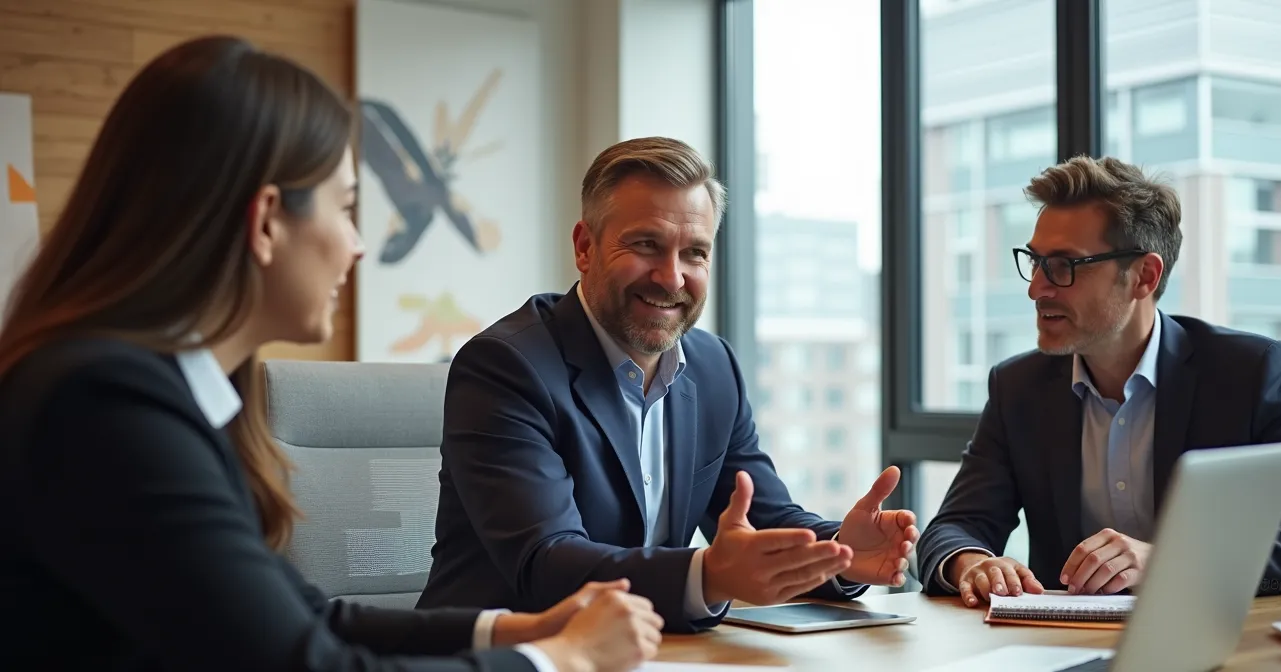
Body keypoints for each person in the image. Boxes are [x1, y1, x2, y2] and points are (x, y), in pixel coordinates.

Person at [0, 35, 663, 672]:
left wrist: (519, 629)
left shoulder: (147, 390)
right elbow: (302, 665)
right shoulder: (104, 407)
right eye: (346, 209)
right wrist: (561, 660)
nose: (358, 245)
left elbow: (297, 618)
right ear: (264, 222)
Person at [415, 136, 919, 633]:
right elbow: (547, 564)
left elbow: (762, 518)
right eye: (646, 245)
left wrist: (839, 553)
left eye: (694, 253)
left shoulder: (713, 366)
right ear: (586, 248)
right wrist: (709, 575)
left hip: (652, 655)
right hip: (507, 658)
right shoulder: (507, 366)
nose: (672, 278)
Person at [917, 155, 1281, 607]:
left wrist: (1171, 561)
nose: (1037, 289)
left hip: (1218, 639)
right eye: (1036, 261)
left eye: (1063, 265)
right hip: (1062, 648)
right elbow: (955, 527)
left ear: (1144, 276)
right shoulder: (1018, 388)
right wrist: (971, 561)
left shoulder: (1248, 373)